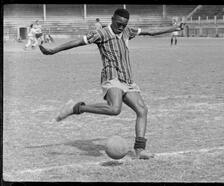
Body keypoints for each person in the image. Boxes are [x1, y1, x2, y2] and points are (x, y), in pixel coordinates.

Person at [39, 8, 185, 160]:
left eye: (124, 24)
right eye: (119, 23)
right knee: (115, 109)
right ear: (112, 19)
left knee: (142, 110)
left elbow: (151, 32)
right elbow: (78, 42)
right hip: (111, 76)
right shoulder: (101, 33)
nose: (121, 27)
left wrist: (174, 28)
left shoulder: (128, 32)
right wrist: (54, 50)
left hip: (127, 79)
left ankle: (140, 150)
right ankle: (77, 108)